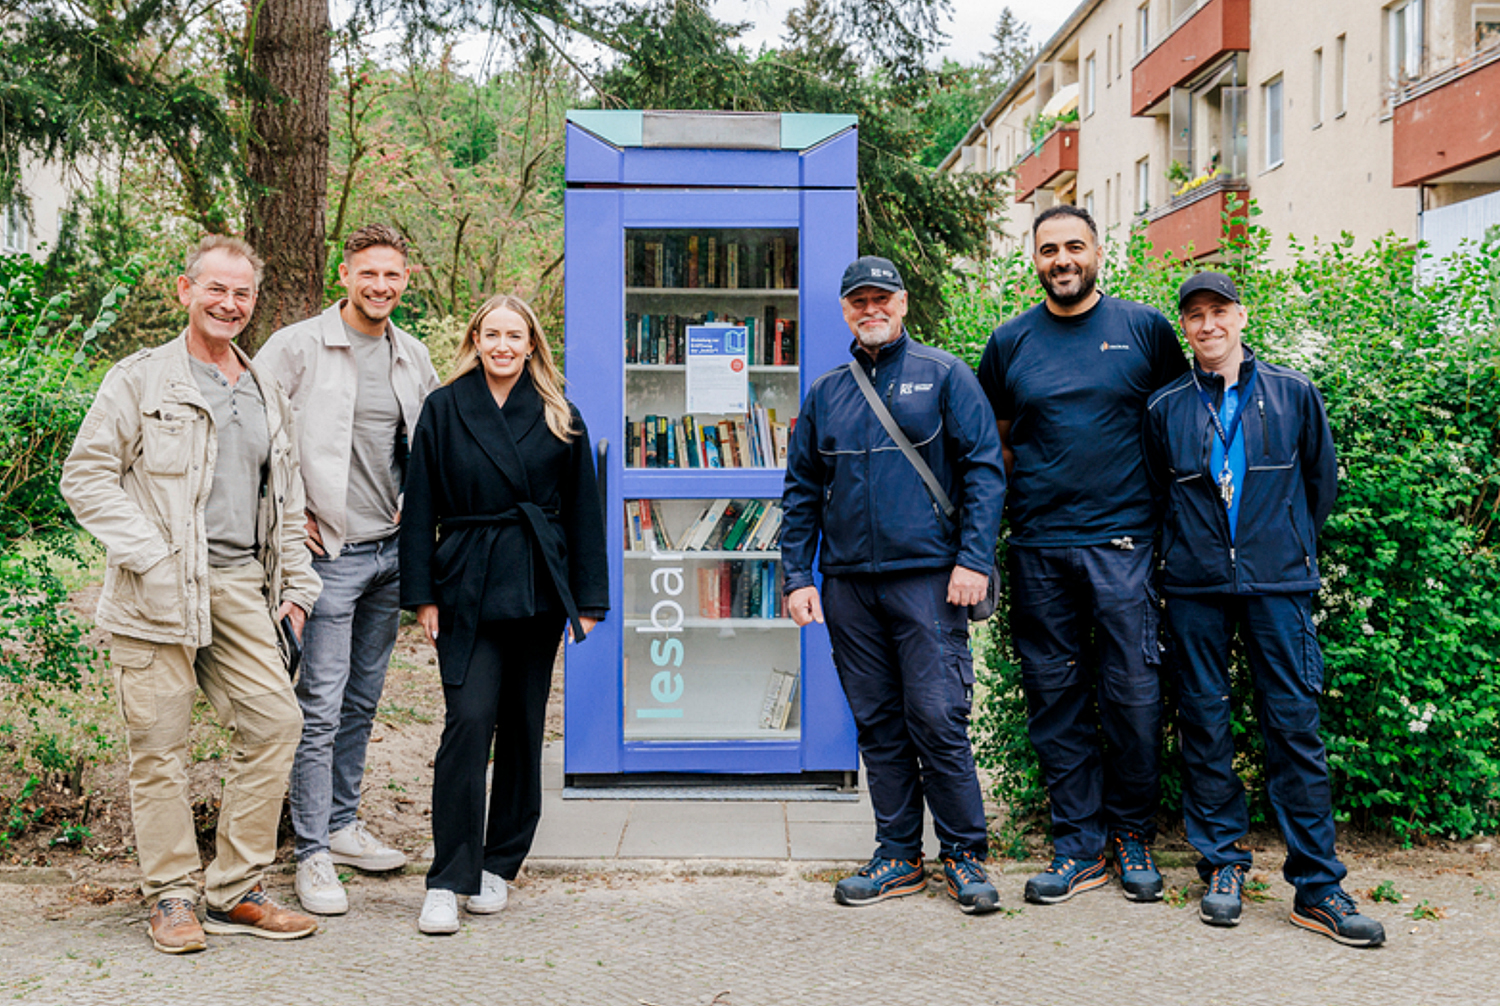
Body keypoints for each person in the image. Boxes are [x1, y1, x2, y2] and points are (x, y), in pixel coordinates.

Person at [60, 236, 322, 953]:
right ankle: (172, 896)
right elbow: (85, 478)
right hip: (158, 591)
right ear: (185, 290)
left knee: (274, 724)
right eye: (216, 289)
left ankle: (236, 889)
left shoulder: (264, 387)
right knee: (159, 747)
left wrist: (297, 588)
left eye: (242, 294)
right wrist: (151, 552)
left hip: (241, 586)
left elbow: (287, 495)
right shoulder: (140, 379)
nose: (229, 304)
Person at [1144, 272, 1384, 947]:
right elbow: (1159, 496)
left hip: (1279, 585)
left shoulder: (1293, 393)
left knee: (1295, 728)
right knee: (1204, 723)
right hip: (1194, 588)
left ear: (1241, 317)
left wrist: (1277, 547)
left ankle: (1317, 885)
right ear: (1184, 327)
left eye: (1218, 311)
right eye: (1194, 316)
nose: (1207, 325)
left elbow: (1319, 485)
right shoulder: (1166, 406)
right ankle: (1223, 864)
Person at [976, 205, 1188, 906]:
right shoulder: (1009, 343)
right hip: (1039, 547)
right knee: (1055, 699)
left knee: (1133, 696)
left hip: (1126, 544)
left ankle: (1131, 838)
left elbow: (1174, 426)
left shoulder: (1146, 331)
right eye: (1047, 250)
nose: (1061, 259)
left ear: (1098, 251)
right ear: (1032, 260)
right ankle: (1078, 847)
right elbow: (997, 443)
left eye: (1073, 246)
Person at [781, 256, 1007, 914]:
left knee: (938, 719)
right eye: (859, 301)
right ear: (846, 311)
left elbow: (985, 472)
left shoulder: (946, 376)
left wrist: (973, 559)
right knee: (879, 725)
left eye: (882, 298)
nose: (871, 309)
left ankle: (965, 856)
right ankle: (899, 856)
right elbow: (800, 492)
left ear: (903, 304)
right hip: (849, 586)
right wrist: (799, 575)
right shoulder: (827, 392)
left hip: (931, 582)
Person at [400, 293, 609, 935]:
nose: (502, 345)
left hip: (536, 585)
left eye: (513, 335)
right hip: (465, 581)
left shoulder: (557, 412)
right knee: (467, 722)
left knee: (522, 725)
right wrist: (424, 595)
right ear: (475, 339)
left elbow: (582, 510)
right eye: (491, 333)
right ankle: (446, 878)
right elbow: (421, 507)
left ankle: (500, 862)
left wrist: (590, 599)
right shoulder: (443, 408)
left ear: (531, 345)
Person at [256, 224, 441, 915]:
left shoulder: (410, 354)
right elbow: (253, 432)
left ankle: (340, 824)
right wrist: (282, 514)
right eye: (369, 274)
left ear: (405, 278)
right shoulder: (298, 346)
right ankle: (309, 853)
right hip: (326, 555)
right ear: (344, 274)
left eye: (392, 276)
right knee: (320, 705)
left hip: (388, 555)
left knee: (364, 701)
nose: (381, 287)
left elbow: (425, 446)